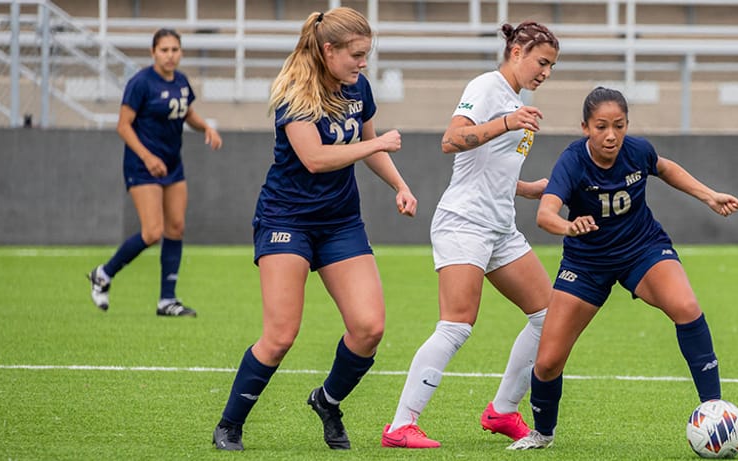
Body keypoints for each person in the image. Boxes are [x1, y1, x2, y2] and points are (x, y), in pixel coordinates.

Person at [210, 8, 417, 451]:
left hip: (340, 221)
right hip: (286, 220)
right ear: (328, 50)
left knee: (369, 328)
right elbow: (315, 158)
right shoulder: (295, 93)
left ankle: (327, 401)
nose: (363, 64)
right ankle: (230, 424)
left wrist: (399, 184)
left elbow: (365, 144)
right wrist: (375, 143)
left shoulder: (357, 87)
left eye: (367, 55)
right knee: (281, 334)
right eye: (356, 55)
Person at [508, 87, 738, 450]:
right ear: (585, 127)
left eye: (619, 125)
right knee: (549, 362)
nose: (611, 135)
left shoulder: (637, 151)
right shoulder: (572, 162)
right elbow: (545, 214)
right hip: (586, 263)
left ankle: (714, 408)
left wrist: (709, 195)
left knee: (686, 307)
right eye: (601, 126)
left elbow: (665, 168)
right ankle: (543, 433)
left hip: (641, 249)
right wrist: (570, 227)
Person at [380, 21, 560, 449]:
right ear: (516, 51)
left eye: (552, 66)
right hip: (464, 223)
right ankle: (400, 425)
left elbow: (488, 168)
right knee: (457, 325)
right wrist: (505, 121)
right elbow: (451, 140)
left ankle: (502, 411)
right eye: (542, 62)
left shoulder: (514, 100)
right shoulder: (487, 88)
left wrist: (527, 188)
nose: (546, 73)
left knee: (549, 316)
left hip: (500, 227)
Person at [86, 28, 222, 317]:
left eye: (175, 49)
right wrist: (147, 157)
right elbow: (123, 125)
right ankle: (103, 273)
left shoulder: (182, 82)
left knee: (176, 228)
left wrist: (207, 127)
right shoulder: (141, 83)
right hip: (142, 165)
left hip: (172, 164)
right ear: (153, 52)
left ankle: (167, 301)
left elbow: (186, 113)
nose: (170, 55)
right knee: (152, 232)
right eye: (164, 50)